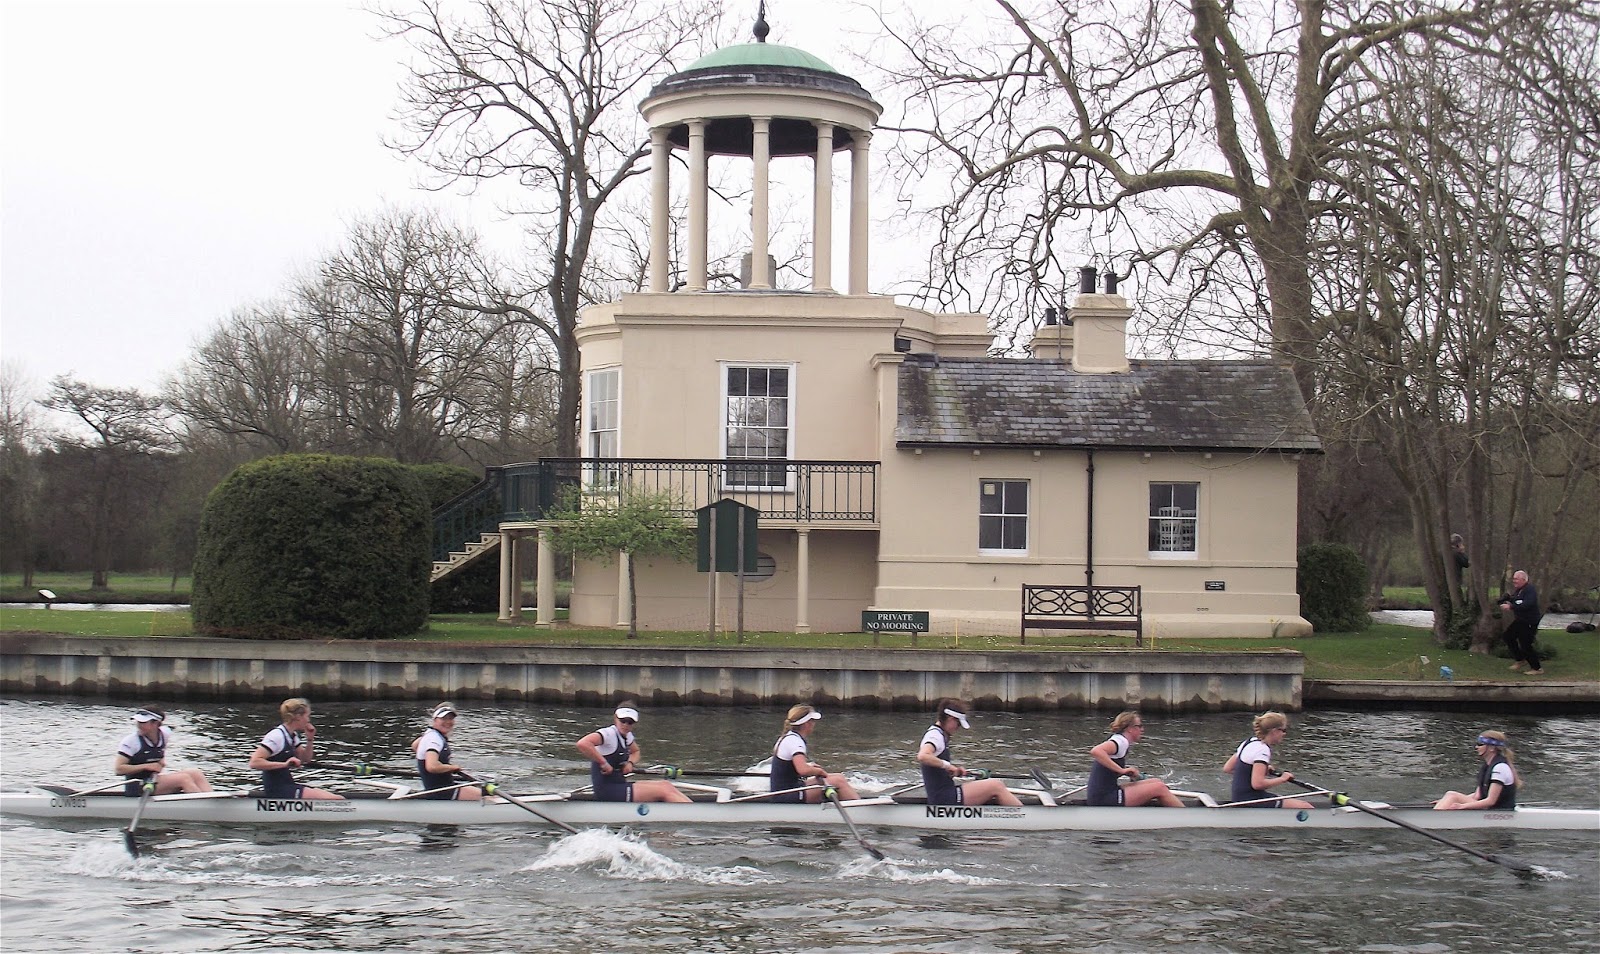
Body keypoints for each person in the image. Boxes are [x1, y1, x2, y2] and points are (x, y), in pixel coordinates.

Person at [916, 699, 1022, 806]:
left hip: (944, 794)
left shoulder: (938, 733)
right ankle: (1024, 814)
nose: (958, 728)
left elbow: (936, 769)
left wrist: (953, 771)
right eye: (958, 724)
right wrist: (948, 766)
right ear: (951, 719)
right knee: (996, 786)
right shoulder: (935, 736)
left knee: (990, 787)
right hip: (944, 799)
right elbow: (923, 756)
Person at [576, 705, 690, 803]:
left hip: (619, 784)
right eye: (623, 720)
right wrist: (604, 763)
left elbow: (636, 752)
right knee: (663, 791)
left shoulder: (627, 736)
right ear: (615, 718)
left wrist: (630, 763)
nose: (626, 725)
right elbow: (583, 743)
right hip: (607, 791)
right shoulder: (608, 734)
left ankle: (693, 809)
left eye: (630, 722)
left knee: (666, 785)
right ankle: (694, 814)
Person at [248, 697, 343, 800]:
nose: (308, 720)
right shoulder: (276, 736)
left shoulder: (292, 736)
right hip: (278, 790)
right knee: (336, 800)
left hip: (288, 785)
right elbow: (254, 762)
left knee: (336, 797)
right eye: (307, 716)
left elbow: (305, 759)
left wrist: (310, 739)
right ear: (298, 716)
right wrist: (285, 764)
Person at [1085, 711, 1183, 808]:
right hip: (1103, 798)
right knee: (1159, 788)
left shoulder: (1120, 740)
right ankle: (1184, 815)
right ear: (1129, 729)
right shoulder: (1120, 742)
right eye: (1139, 726)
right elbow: (1096, 751)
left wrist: (1129, 773)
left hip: (1107, 790)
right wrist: (1121, 770)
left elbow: (1107, 772)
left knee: (1156, 782)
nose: (1142, 729)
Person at [769, 704, 860, 803]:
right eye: (812, 721)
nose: (814, 724)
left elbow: (789, 766)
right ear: (806, 723)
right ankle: (860, 808)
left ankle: (852, 802)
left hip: (790, 788)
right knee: (838, 781)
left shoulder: (788, 737)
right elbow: (803, 770)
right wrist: (819, 772)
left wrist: (810, 766)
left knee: (839, 777)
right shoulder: (795, 742)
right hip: (786, 795)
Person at [1222, 711, 1313, 809]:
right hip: (1252, 800)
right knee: (1305, 806)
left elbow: (1228, 768)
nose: (1284, 734)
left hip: (1240, 798)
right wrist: (1282, 779)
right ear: (1274, 731)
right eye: (1283, 730)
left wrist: (1260, 769)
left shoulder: (1248, 742)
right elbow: (1258, 784)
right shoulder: (1262, 750)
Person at [114, 707, 213, 795]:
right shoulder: (131, 741)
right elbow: (118, 769)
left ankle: (211, 801)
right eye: (138, 722)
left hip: (153, 780)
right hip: (137, 785)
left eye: (143, 723)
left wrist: (161, 760)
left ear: (156, 723)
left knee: (195, 773)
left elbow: (160, 752)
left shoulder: (165, 734)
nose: (139, 726)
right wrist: (146, 766)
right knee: (183, 778)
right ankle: (202, 806)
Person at [1434, 730, 1519, 810]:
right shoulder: (1487, 766)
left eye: (1480, 744)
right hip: (1490, 809)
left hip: (1499, 812)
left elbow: (1491, 801)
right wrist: (1447, 801)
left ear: (1492, 748)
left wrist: (1462, 805)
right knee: (1451, 796)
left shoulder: (1500, 768)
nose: (1476, 747)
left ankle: (1435, 817)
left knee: (1452, 795)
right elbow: (1477, 796)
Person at [414, 703, 483, 801]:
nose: (448, 722)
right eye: (443, 719)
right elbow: (432, 767)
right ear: (435, 720)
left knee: (482, 791)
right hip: (441, 792)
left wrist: (427, 758)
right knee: (489, 797)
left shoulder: (429, 734)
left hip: (442, 787)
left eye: (450, 719)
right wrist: (453, 767)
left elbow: (415, 746)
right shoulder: (434, 739)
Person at [1499, 569, 1544, 675]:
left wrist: (1511, 607)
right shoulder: (1519, 590)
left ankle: (1537, 668)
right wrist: (1509, 599)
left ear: (1524, 580)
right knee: (1508, 637)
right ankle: (1520, 659)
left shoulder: (1530, 590)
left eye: (1516, 579)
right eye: (1514, 579)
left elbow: (1528, 604)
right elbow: (1517, 600)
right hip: (1520, 620)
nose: (1514, 581)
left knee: (1525, 644)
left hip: (1530, 621)